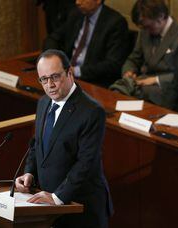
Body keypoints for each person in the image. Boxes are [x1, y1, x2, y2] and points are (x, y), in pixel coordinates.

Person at [15, 49, 113, 227]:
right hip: (49, 209)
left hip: (80, 209)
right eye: (43, 79)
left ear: (70, 73)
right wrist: (29, 172)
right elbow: (37, 144)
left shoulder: (91, 111)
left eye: (55, 77)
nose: (49, 84)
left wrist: (57, 197)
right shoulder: (43, 103)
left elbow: (86, 163)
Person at [110, 0, 178, 105]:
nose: (146, 31)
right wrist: (129, 71)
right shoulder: (144, 31)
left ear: (161, 17)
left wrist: (156, 79)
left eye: (148, 26)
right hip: (140, 83)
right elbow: (134, 59)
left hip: (165, 88)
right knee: (116, 92)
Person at [43, 0, 131, 88]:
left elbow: (113, 64)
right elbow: (53, 38)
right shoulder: (75, 14)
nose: (77, 2)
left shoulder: (115, 23)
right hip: (66, 76)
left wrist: (76, 71)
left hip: (94, 82)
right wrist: (54, 60)